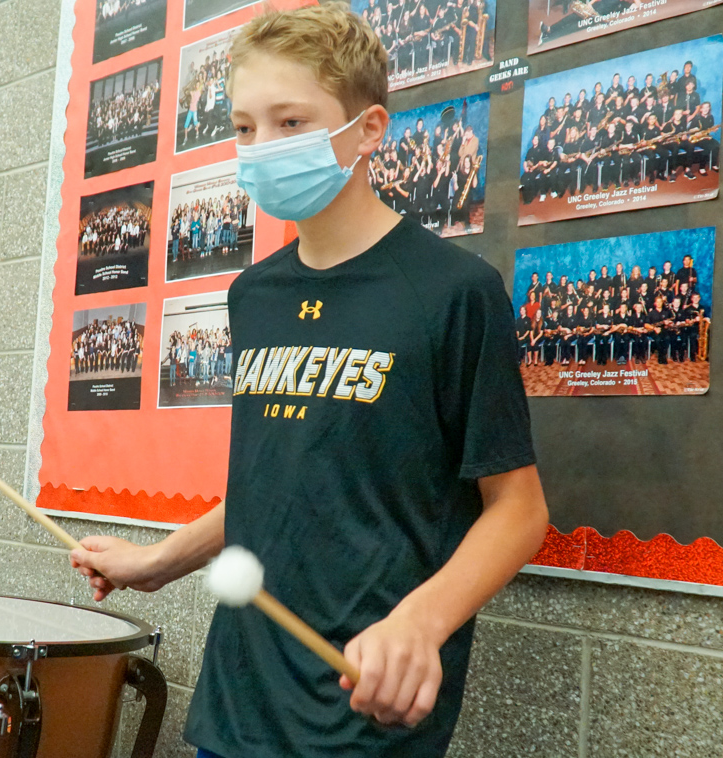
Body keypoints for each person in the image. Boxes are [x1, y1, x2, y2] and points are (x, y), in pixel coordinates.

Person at [69, 6, 548, 757]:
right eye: (244, 127)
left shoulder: (454, 291)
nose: (262, 149)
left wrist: (422, 622)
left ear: (368, 131)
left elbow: (518, 511)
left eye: (291, 123)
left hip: (362, 710)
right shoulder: (252, 294)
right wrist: (158, 564)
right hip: (238, 698)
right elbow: (283, 475)